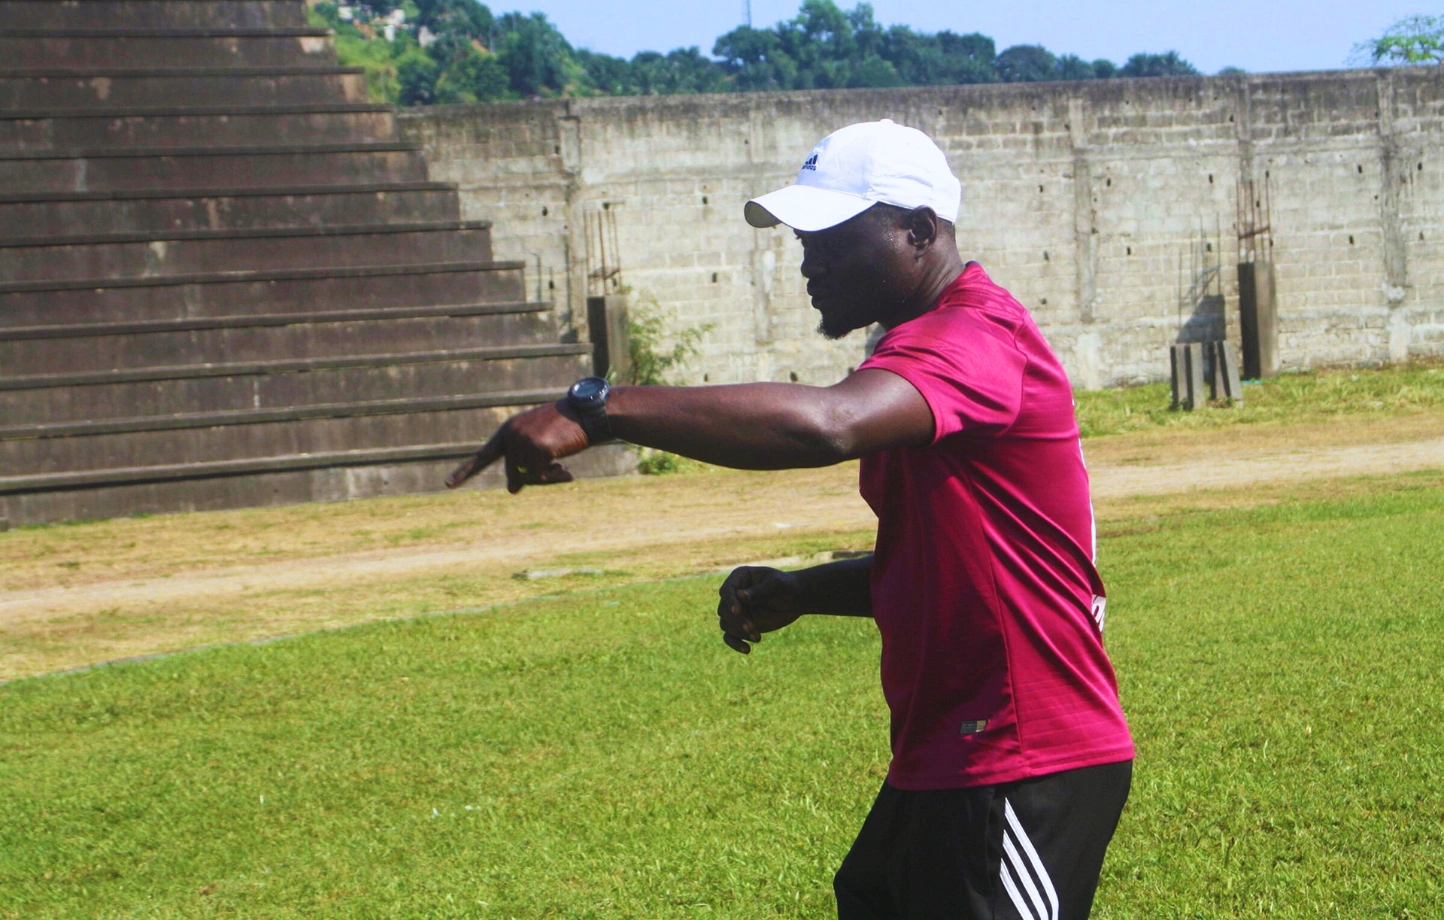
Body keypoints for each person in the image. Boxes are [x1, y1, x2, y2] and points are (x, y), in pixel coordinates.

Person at [446, 119, 1134, 920]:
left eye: (831, 239)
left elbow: (826, 426)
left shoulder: (972, 336)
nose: (809, 264)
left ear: (918, 231)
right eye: (804, 241)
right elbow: (947, 565)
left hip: (1021, 754)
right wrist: (806, 591)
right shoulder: (923, 353)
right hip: (947, 755)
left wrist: (602, 410)